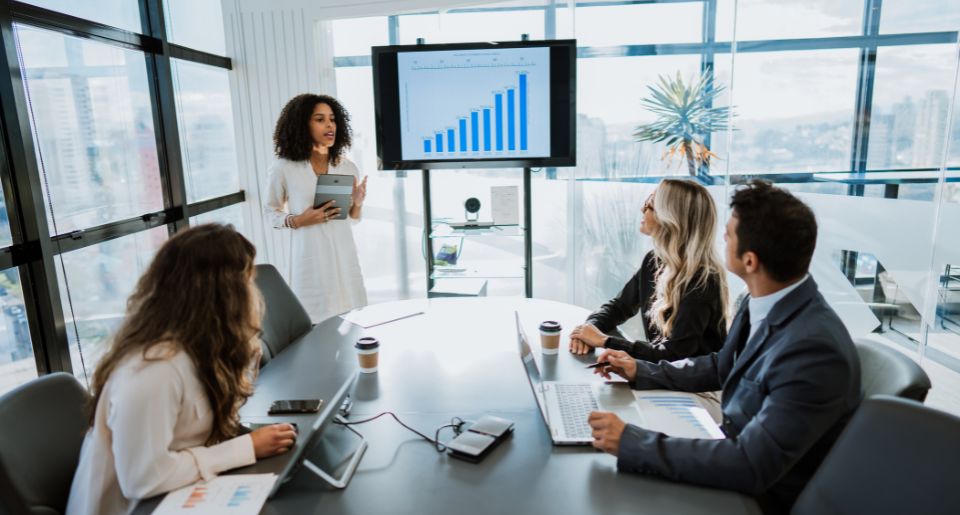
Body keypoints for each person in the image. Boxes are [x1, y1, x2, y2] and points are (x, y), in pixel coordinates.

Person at [587, 180, 861, 514]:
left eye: (729, 234)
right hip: (729, 446)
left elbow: (749, 464)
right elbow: (720, 366)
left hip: (757, 497)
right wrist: (638, 368)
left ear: (750, 261)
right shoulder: (761, 301)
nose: (721, 238)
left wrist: (632, 442)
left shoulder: (814, 351)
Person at [66, 224, 297, 515]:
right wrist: (246, 448)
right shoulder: (152, 370)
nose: (254, 292)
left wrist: (245, 348)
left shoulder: (205, 346)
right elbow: (142, 481)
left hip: (182, 493)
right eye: (248, 280)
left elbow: (214, 420)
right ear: (224, 293)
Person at [570, 178, 729, 363]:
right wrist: (589, 328)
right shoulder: (655, 261)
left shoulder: (702, 280)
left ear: (671, 219)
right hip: (662, 376)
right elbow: (619, 307)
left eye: (650, 205)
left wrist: (604, 341)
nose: (642, 209)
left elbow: (676, 354)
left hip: (696, 387)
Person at [264, 93, 368, 323]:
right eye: (320, 119)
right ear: (303, 125)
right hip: (311, 259)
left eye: (332, 119)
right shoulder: (284, 168)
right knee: (315, 324)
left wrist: (357, 203)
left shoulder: (346, 167)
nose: (329, 124)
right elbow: (271, 213)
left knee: (355, 323)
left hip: (344, 257)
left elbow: (351, 220)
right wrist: (300, 220)